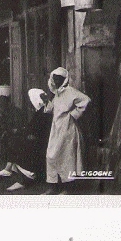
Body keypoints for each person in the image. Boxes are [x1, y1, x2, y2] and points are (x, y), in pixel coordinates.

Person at [41, 67, 90, 195]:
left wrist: (73, 114)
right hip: (56, 129)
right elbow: (52, 110)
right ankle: (53, 186)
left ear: (64, 79)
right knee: (51, 156)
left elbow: (86, 100)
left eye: (59, 79)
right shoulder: (57, 94)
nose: (56, 81)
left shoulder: (71, 91)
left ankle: (67, 188)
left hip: (67, 129)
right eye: (54, 78)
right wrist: (47, 101)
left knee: (66, 158)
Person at [2, 89, 54, 191]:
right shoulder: (42, 112)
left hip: (41, 144)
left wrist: (22, 132)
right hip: (40, 141)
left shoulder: (42, 113)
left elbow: (35, 131)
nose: (30, 105)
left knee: (16, 144)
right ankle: (12, 171)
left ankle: (24, 180)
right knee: (15, 140)